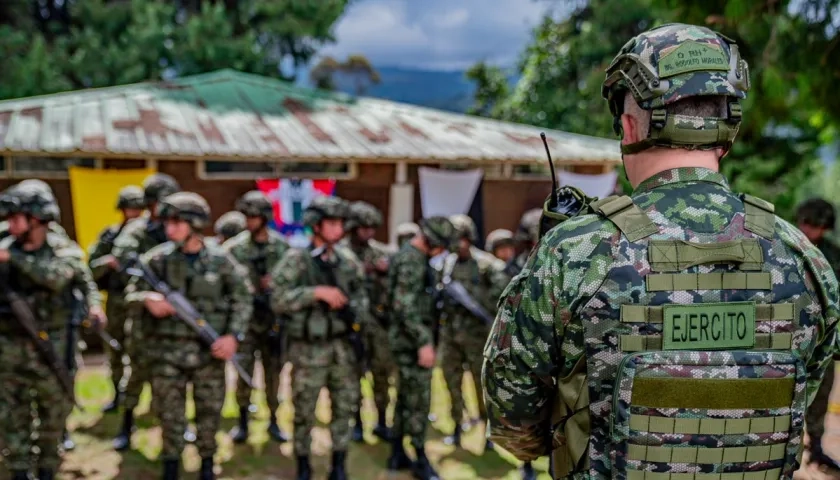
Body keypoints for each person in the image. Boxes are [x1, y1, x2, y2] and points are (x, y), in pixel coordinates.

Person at [483, 23, 840, 480]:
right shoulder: (804, 257)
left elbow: (512, 412)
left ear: (629, 126)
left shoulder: (576, 251)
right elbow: (802, 391)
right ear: (729, 127)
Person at [124, 192, 252, 480]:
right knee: (170, 415)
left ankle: (207, 463)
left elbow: (243, 298)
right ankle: (171, 463)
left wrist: (233, 336)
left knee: (210, 413)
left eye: (177, 223)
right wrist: (147, 299)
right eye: (168, 223)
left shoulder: (221, 261)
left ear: (194, 224)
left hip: (208, 353)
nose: (170, 230)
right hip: (165, 354)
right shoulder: (156, 259)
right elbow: (128, 294)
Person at [270, 195, 370, 480]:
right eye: (332, 223)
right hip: (308, 349)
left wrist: (353, 309)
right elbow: (277, 298)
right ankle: (303, 464)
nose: (339, 229)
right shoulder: (297, 260)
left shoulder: (347, 260)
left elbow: (362, 297)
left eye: (341, 223)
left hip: (341, 347)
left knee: (345, 406)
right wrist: (315, 293)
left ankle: (339, 464)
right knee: (303, 409)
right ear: (316, 225)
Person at [0, 184, 96, 480]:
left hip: (52, 349)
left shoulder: (62, 249)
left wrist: (12, 259)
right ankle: (18, 469)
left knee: (53, 416)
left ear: (37, 219)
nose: (9, 223)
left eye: (17, 217)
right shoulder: (4, 243)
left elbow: (56, 277)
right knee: (11, 415)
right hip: (8, 348)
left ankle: (46, 467)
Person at [110, 172, 181, 451]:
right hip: (143, 315)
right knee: (136, 374)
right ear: (150, 204)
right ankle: (126, 426)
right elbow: (123, 258)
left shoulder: (179, 229)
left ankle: (175, 428)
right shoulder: (137, 231)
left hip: (174, 317)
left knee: (174, 377)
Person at [387, 216, 455, 480]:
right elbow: (403, 306)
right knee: (418, 400)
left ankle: (396, 453)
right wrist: (424, 342)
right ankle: (419, 457)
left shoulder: (411, 257)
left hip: (407, 341)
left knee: (405, 398)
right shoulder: (412, 260)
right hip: (412, 344)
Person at [224, 190, 290, 444]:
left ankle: (274, 420)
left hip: (274, 321)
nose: (249, 221)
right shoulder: (233, 248)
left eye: (253, 216)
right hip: (246, 322)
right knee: (243, 373)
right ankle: (242, 422)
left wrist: (275, 283)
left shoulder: (282, 247)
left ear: (264, 217)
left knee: (274, 374)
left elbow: (294, 281)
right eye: (246, 216)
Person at [439, 214, 507, 451]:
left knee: (483, 387)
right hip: (451, 334)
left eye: (461, 239)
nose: (457, 245)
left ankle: (488, 434)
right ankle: (457, 427)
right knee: (452, 382)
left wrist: (475, 303)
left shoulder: (487, 265)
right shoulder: (447, 264)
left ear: (469, 238)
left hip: (478, 336)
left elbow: (503, 295)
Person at [88, 185, 145, 414]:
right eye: (129, 209)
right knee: (115, 348)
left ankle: (142, 398)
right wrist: (108, 262)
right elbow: (90, 268)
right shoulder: (110, 236)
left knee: (142, 349)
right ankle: (117, 394)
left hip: (141, 301)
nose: (133, 214)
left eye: (137, 209)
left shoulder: (147, 235)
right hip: (117, 299)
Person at [341, 200, 395, 443]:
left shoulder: (381, 253)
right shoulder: (341, 254)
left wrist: (384, 273)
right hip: (351, 326)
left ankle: (382, 421)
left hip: (378, 326)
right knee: (352, 376)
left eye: (372, 228)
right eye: (364, 228)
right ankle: (357, 423)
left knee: (382, 375)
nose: (369, 233)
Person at [796, 198, 840, 475]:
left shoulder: (833, 256)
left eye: (817, 226)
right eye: (808, 224)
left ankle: (816, 447)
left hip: (823, 337)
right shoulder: (788, 248)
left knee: (821, 394)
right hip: (790, 336)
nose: (811, 231)